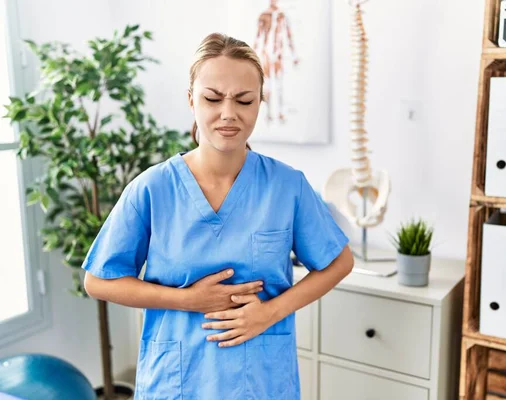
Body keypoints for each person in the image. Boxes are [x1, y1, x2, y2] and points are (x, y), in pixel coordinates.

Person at [82, 32, 354, 400]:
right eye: (212, 98)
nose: (229, 113)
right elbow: (98, 281)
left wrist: (269, 313)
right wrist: (187, 300)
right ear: (191, 100)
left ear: (260, 103)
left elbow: (339, 262)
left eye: (244, 100)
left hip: (261, 382)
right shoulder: (153, 188)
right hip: (177, 383)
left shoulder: (287, 186)